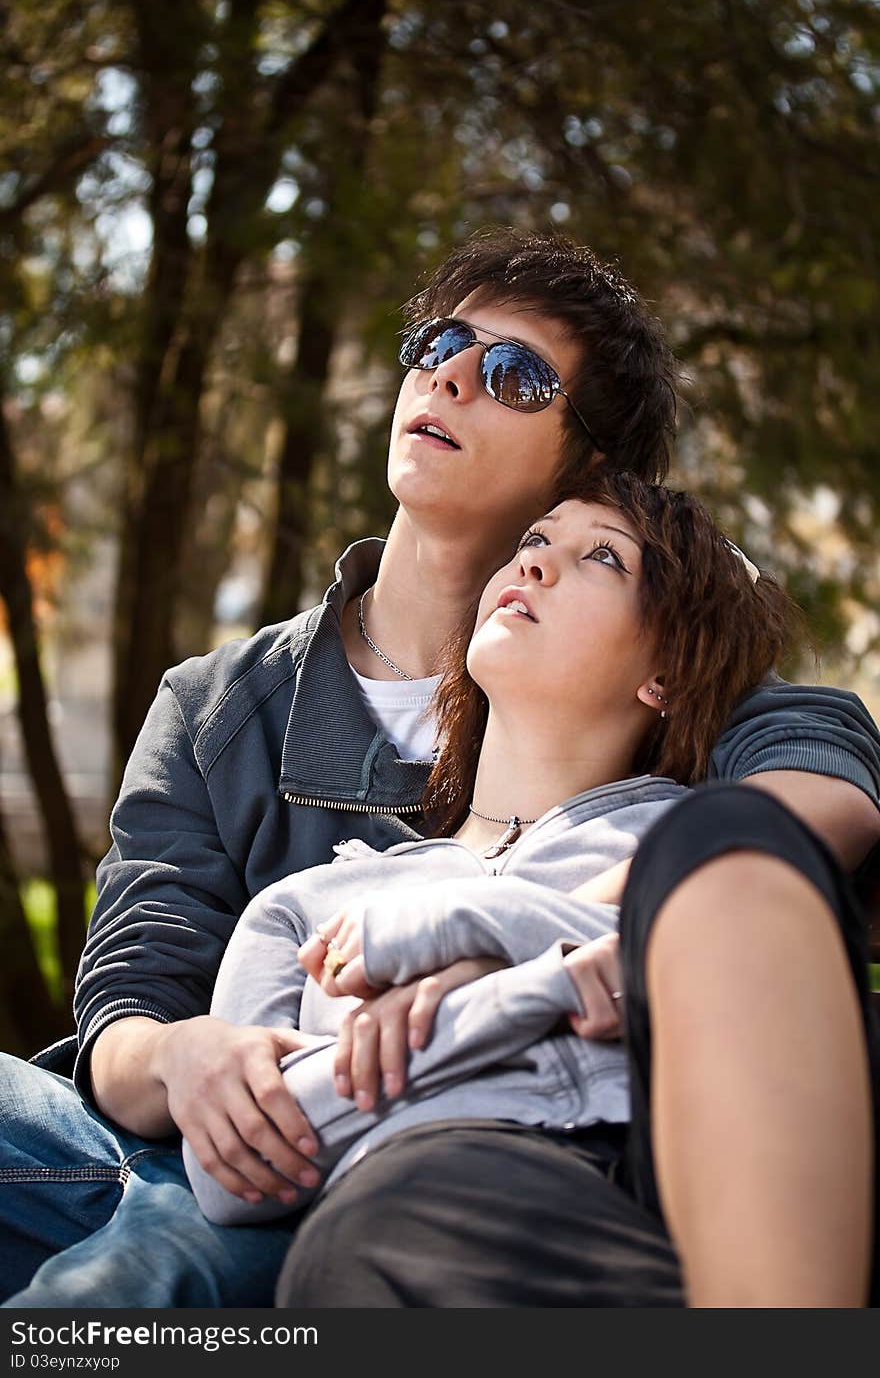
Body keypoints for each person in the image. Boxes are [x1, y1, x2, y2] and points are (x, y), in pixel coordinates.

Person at [1, 231, 878, 1309]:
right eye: (440, 343)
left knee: (125, 1287)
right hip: (187, 1128)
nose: (451, 373)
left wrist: (515, 941)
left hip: (385, 1167)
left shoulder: (656, 686)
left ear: (590, 465)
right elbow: (130, 1001)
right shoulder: (220, 704)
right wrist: (186, 1055)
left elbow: (800, 799)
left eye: (515, 375)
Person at [181, 473, 874, 1316]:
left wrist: (474, 938)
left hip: (699, 1158)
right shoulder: (312, 904)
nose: (536, 566)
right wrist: (552, 978)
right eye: (536, 541)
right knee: (376, 1239)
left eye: (603, 559)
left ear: (665, 675)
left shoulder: (694, 841)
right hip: (450, 1200)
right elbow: (243, 1168)